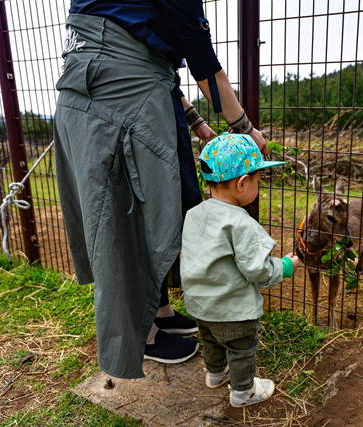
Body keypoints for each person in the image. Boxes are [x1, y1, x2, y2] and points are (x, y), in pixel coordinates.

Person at [53, 1, 268, 379]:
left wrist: (196, 122)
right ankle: (144, 335)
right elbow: (204, 65)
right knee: (129, 213)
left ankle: (159, 311)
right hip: (114, 101)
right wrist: (245, 128)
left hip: (112, 86)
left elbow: (154, 53)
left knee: (165, 202)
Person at [180, 133, 300, 407]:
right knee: (241, 348)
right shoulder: (240, 223)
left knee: (211, 342)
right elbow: (259, 270)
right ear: (242, 183)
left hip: (200, 306)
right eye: (257, 181)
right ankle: (243, 391)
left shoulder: (194, 214)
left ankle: (215, 374)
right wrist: (285, 266)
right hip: (232, 310)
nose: (258, 187)